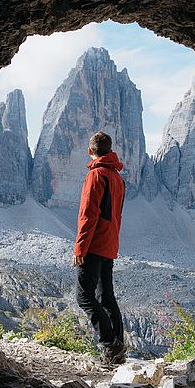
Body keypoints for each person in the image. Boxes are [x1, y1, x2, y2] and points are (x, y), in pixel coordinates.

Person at [73, 131, 127, 366]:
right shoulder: (117, 177)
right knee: (106, 297)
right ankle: (119, 350)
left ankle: (110, 345)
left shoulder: (96, 175)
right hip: (110, 243)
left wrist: (80, 249)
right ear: (110, 149)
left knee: (84, 297)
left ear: (90, 151)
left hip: (94, 244)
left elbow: (88, 215)